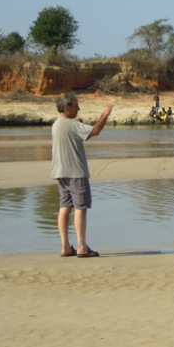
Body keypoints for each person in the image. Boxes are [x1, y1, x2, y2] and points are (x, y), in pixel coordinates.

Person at [51, 92, 114, 258]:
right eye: (75, 105)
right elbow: (95, 131)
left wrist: (102, 116)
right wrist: (105, 115)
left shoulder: (56, 124)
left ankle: (65, 247)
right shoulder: (72, 124)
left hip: (60, 172)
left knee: (64, 207)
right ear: (66, 107)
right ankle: (81, 248)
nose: (78, 108)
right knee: (80, 208)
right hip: (75, 173)